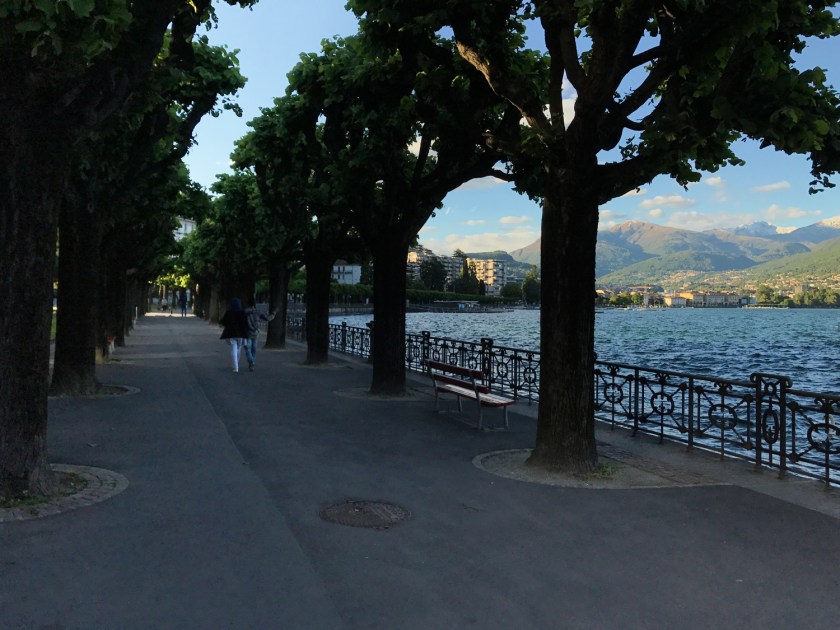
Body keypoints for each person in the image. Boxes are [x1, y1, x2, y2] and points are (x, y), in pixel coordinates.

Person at [244, 298, 278, 372]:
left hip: (247, 333)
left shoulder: (244, 312)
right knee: (254, 349)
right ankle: (252, 363)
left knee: (247, 349)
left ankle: (251, 361)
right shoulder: (257, 312)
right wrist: (274, 313)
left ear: (247, 304)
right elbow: (268, 318)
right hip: (256, 333)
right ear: (254, 304)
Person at [219, 298, 248, 373]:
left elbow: (224, 322)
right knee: (238, 349)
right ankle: (236, 363)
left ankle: (235, 367)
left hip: (231, 333)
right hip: (240, 334)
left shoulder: (229, 312)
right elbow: (245, 323)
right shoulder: (242, 312)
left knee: (233, 349)